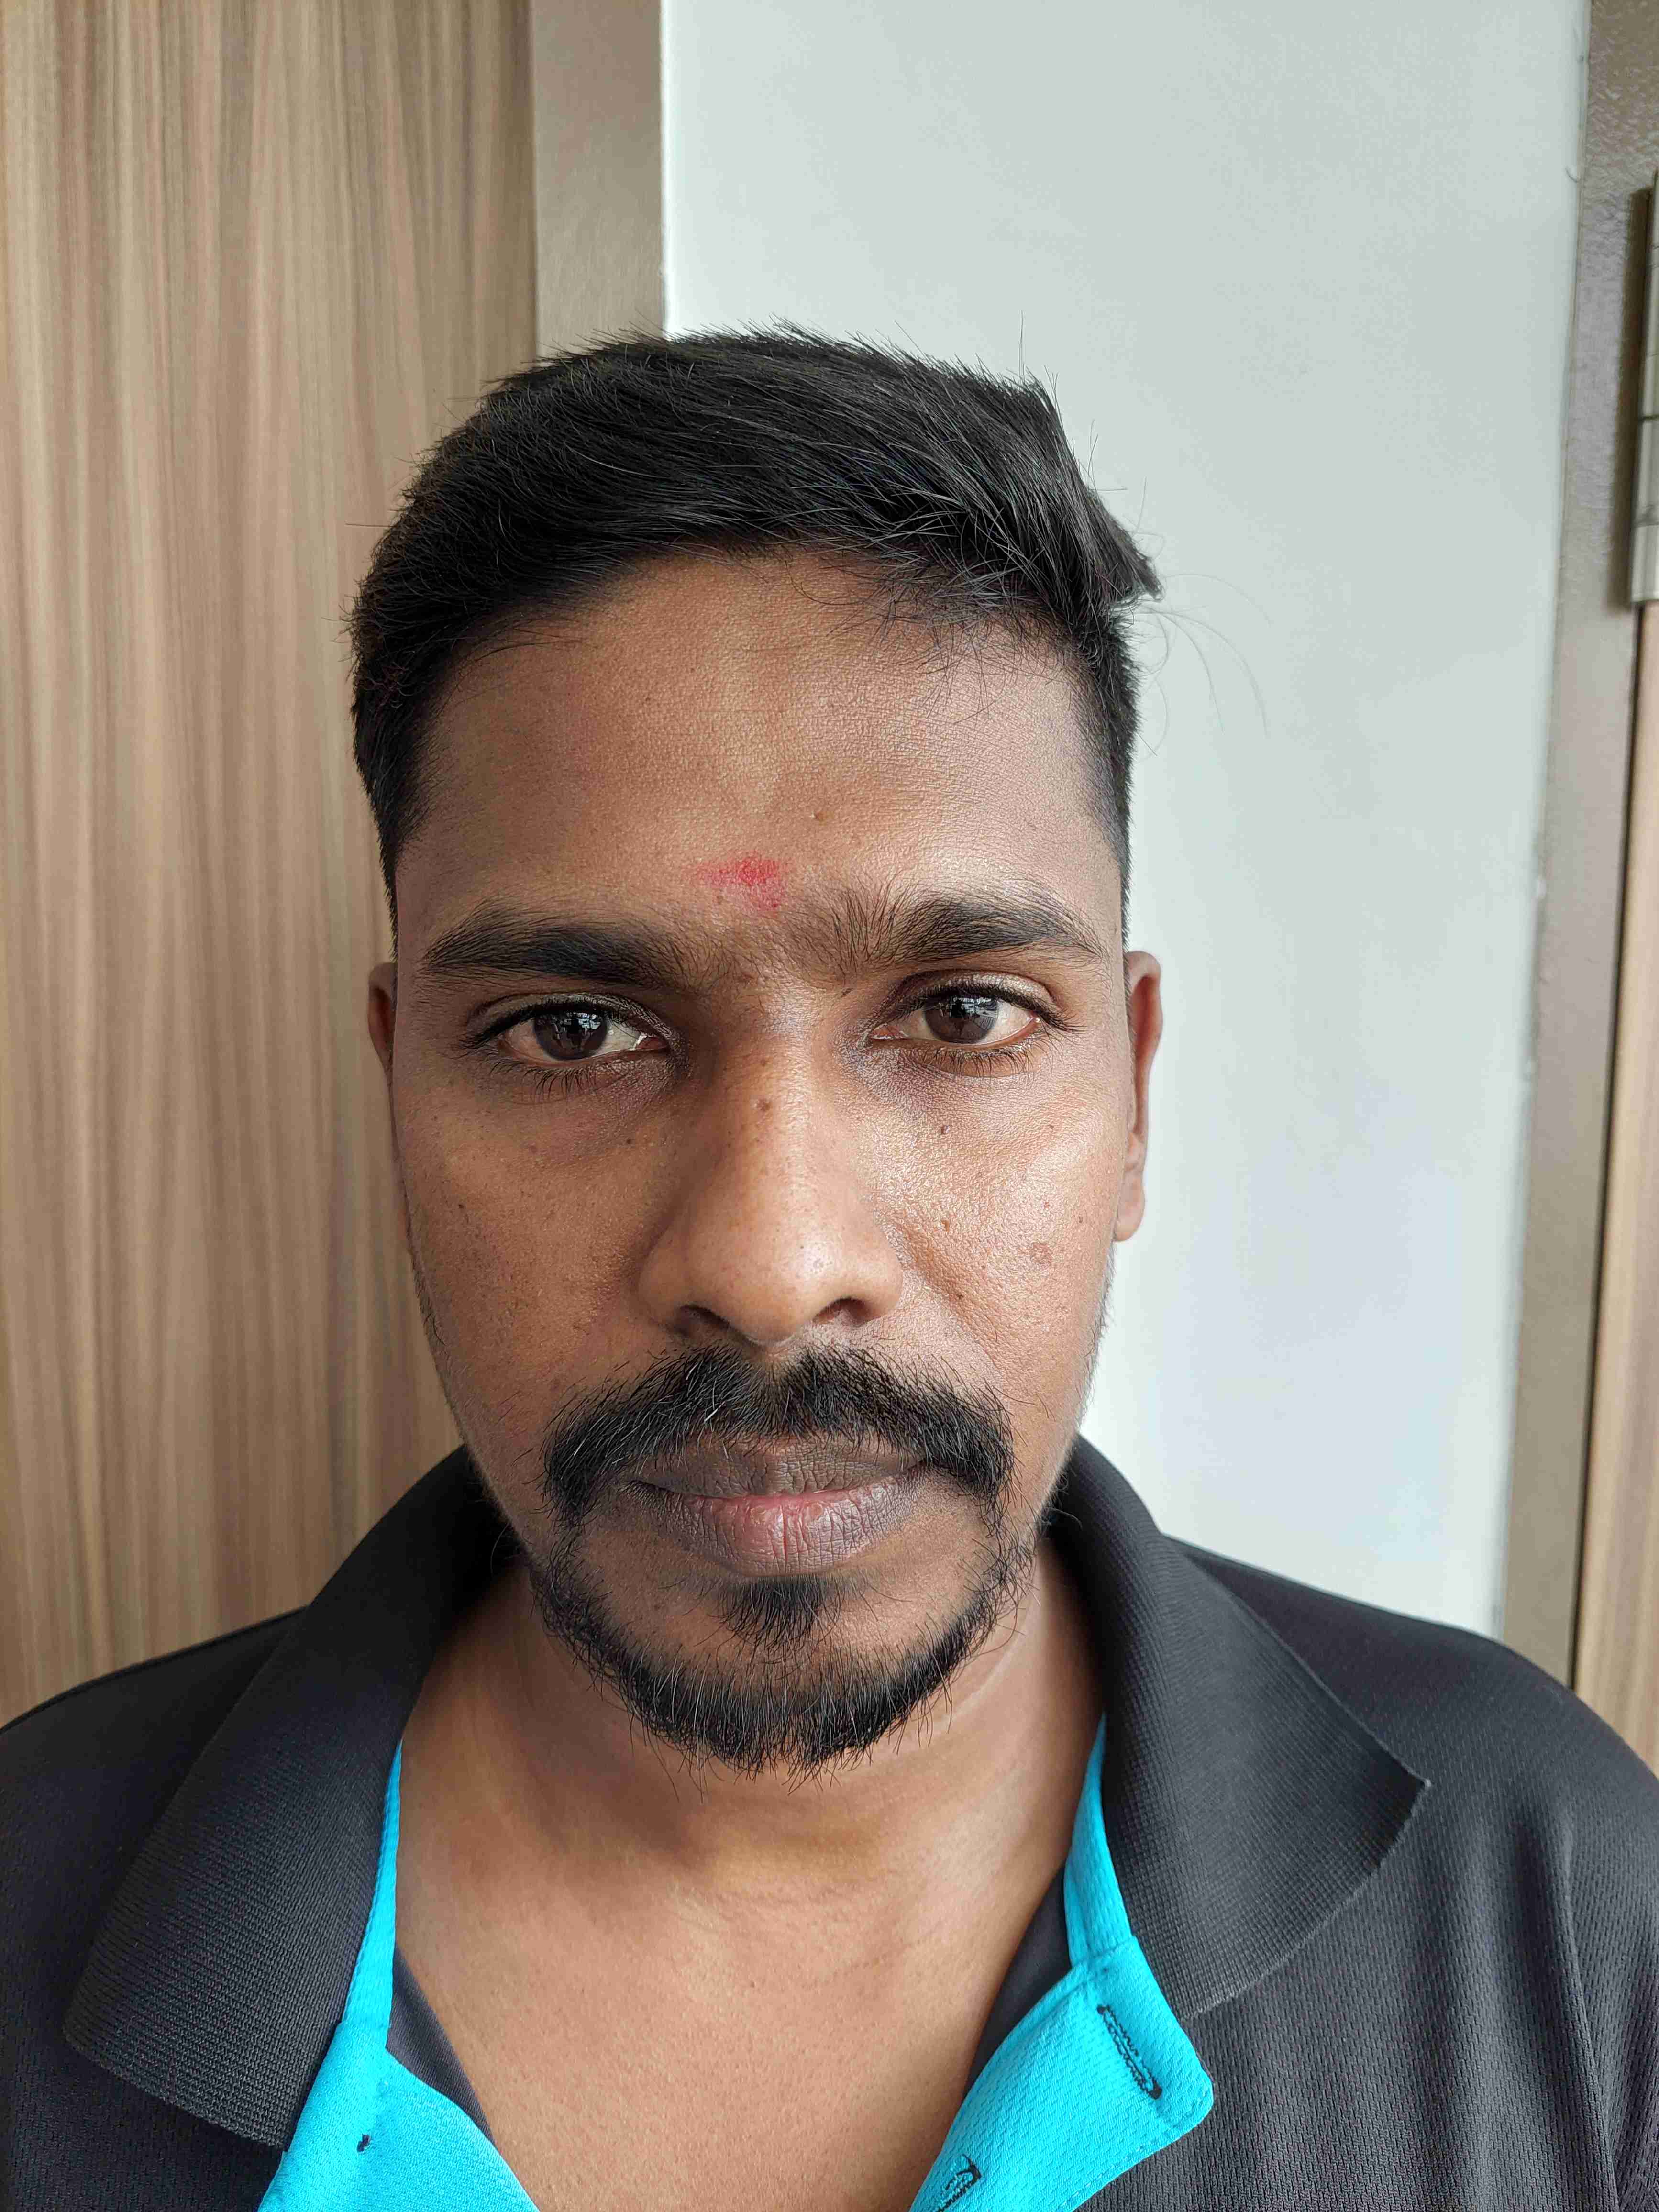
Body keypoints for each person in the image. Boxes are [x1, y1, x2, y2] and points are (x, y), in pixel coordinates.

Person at [3, 330, 1657, 2212]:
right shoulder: (28, 1900)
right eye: (572, 1032)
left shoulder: (1558, 1899)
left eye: (961, 1013)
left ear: (1131, 1096)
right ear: (397, 1091)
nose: (774, 1266)